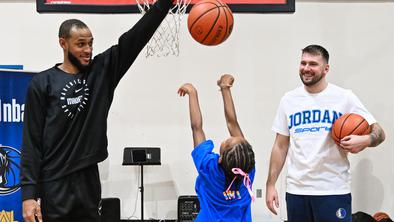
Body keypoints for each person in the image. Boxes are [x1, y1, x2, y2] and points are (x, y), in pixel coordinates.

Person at [20, 0, 175, 221]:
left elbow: (135, 38)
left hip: (88, 181)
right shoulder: (42, 83)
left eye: (91, 44)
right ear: (63, 43)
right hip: (54, 183)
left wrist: (164, 5)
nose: (88, 50)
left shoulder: (101, 72)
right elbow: (31, 143)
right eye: (80, 44)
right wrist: (28, 195)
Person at [265, 44, 386, 222]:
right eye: (303, 63)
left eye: (313, 64)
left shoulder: (344, 97)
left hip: (333, 189)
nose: (306, 68)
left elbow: (379, 133)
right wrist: (270, 184)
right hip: (296, 191)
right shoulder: (288, 100)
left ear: (326, 68)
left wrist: (366, 139)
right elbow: (280, 146)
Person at [178, 74, 256, 222]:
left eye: (227, 141)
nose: (229, 137)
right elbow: (232, 123)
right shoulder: (248, 170)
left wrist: (193, 93)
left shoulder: (208, 168)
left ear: (220, 159)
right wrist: (225, 89)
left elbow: (197, 128)